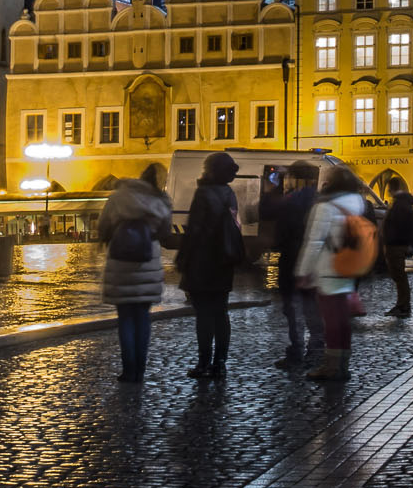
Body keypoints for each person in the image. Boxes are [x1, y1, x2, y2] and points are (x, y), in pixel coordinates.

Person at [98, 165, 171, 384]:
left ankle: (128, 370)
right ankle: (140, 369)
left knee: (126, 319)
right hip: (147, 260)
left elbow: (103, 228)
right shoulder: (160, 199)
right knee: (142, 318)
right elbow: (165, 231)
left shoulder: (119, 197)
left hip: (120, 262)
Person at [176, 151, 246, 379]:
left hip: (202, 262)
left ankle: (204, 362)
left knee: (204, 315)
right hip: (223, 261)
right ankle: (220, 363)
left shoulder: (204, 193)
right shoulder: (229, 192)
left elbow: (195, 231)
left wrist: (183, 259)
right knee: (221, 313)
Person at [297, 167, 369, 381]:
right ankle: (342, 364)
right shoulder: (357, 203)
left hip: (328, 268)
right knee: (342, 320)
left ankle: (332, 367)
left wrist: (303, 270)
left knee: (331, 321)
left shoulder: (326, 207)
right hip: (348, 267)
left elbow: (315, 241)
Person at [260, 160, 324, 367]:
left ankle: (296, 351)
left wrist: (271, 188)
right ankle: (316, 350)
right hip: (316, 262)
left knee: (294, 310)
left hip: (292, 260)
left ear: (294, 178)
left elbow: (266, 212)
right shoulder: (320, 200)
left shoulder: (292, 200)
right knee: (313, 309)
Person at [381, 186, 413, 317]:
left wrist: (391, 239)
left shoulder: (400, 207)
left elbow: (397, 226)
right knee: (398, 275)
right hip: (396, 244)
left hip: (395, 244)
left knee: (399, 275)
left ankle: (403, 306)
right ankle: (402, 305)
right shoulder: (404, 206)